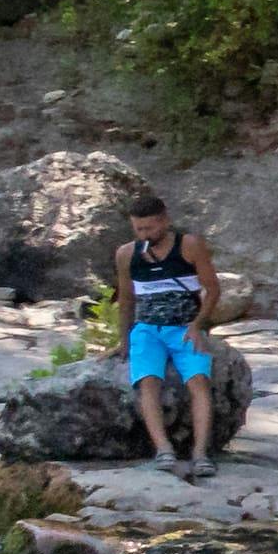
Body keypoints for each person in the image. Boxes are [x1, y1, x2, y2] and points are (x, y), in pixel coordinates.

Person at [112, 188, 225, 481]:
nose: (144, 234)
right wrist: (123, 339)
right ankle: (163, 449)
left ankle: (200, 454)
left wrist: (198, 324)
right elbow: (126, 300)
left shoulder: (189, 246)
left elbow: (212, 289)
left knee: (198, 381)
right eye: (138, 229)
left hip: (185, 326)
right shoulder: (127, 254)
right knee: (147, 382)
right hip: (147, 330)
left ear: (164, 222)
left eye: (149, 227)